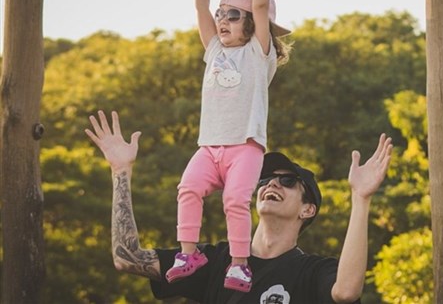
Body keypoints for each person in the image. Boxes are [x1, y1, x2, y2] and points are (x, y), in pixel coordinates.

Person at [85, 110, 393, 303]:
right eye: (266, 179)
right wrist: (120, 172)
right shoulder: (212, 261)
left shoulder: (310, 271)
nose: (272, 184)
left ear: (307, 209)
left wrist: (361, 198)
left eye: (287, 182)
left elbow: (347, 291)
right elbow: (126, 258)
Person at [167, 0, 292, 291]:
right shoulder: (213, 51)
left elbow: (262, 5)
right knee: (188, 189)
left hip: (245, 146)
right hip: (209, 147)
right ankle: (188, 254)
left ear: (251, 23)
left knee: (235, 201)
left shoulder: (257, 54)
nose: (222, 20)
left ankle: (239, 265)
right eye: (221, 14)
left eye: (233, 15)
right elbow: (200, 8)